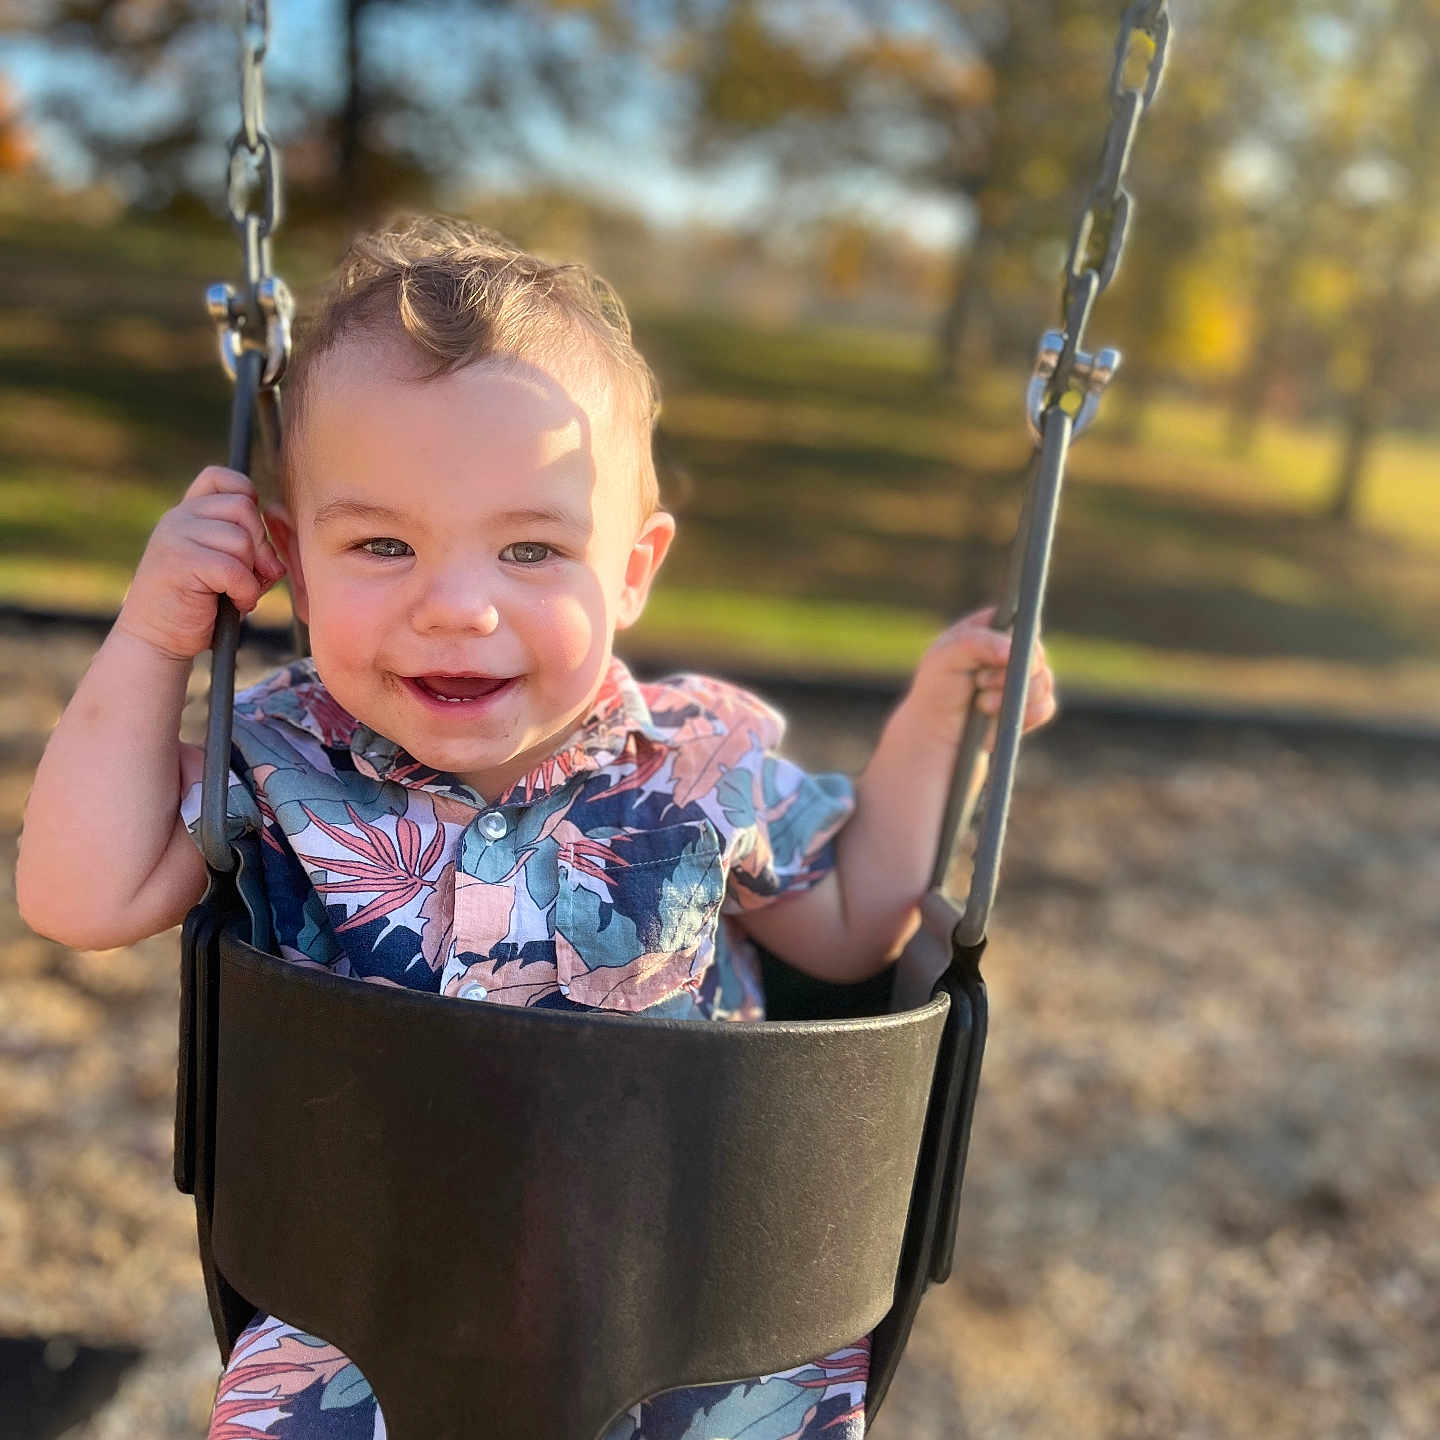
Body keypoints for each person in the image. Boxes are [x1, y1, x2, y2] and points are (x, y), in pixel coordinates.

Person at [16, 214, 1056, 1439]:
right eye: (382, 543)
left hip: (694, 1314)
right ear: (288, 562)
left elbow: (848, 932)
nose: (456, 606)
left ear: (631, 568)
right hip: (367, 1319)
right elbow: (75, 896)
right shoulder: (275, 750)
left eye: (529, 548)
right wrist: (153, 638)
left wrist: (942, 727)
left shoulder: (700, 758)